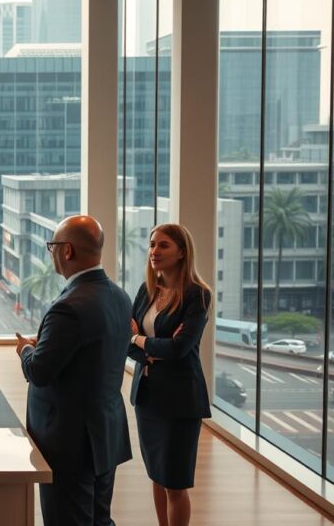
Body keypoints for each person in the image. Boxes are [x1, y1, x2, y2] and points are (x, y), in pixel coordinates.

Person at [15, 215, 132, 526]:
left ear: (66, 251)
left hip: (68, 442)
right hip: (105, 432)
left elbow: (39, 372)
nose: (50, 253)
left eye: (52, 246)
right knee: (99, 519)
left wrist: (26, 350)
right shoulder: (120, 297)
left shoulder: (69, 306)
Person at [127, 224, 212, 526]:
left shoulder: (197, 296)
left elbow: (179, 348)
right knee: (157, 475)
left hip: (180, 402)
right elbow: (127, 343)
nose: (154, 251)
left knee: (175, 482)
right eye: (152, 245)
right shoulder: (146, 290)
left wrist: (140, 340)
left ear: (182, 252)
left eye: (163, 245)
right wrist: (149, 347)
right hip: (148, 398)